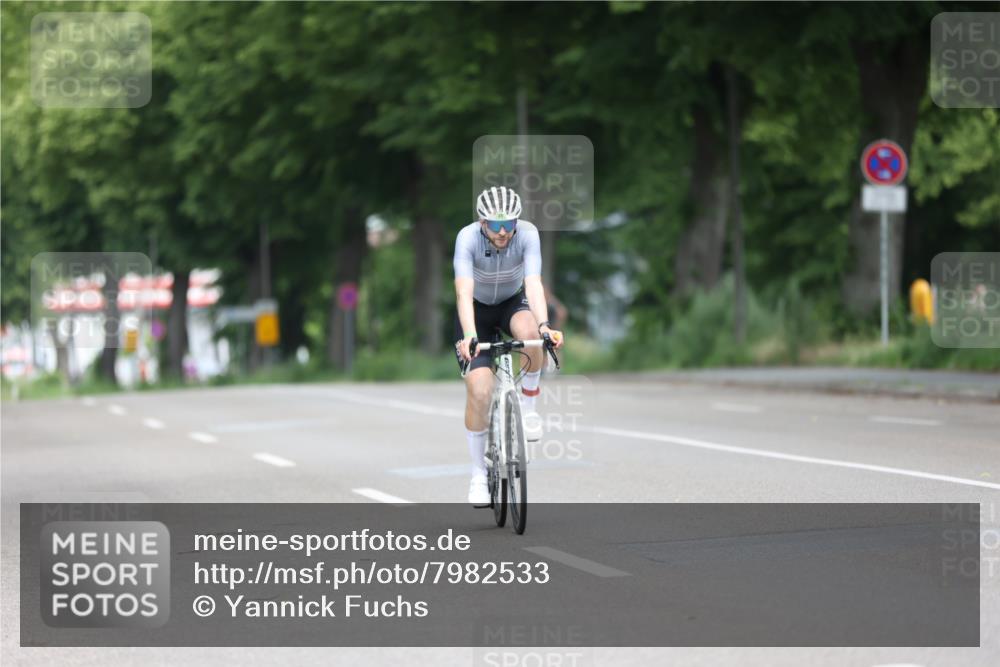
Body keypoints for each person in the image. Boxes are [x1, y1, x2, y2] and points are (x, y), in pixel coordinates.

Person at [453, 186, 564, 506]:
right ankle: (477, 474)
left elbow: (533, 283)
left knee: (531, 332)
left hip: (512, 302)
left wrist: (545, 326)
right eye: (495, 225)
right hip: (475, 311)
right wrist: (471, 335)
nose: (503, 232)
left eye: (509, 224)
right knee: (480, 391)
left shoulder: (527, 234)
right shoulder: (467, 238)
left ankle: (528, 409)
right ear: (481, 222)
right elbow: (463, 292)